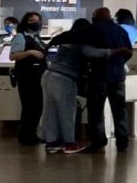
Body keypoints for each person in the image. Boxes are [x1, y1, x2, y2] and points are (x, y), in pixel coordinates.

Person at [41, 18, 130, 155]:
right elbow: (94, 53)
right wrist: (117, 51)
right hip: (64, 78)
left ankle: (52, 142)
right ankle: (69, 143)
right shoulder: (81, 42)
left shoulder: (66, 39)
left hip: (50, 75)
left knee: (50, 111)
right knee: (67, 111)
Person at [86, 8, 133, 153]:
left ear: (96, 17)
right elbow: (129, 52)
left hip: (99, 75)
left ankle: (99, 140)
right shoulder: (121, 31)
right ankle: (122, 141)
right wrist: (118, 63)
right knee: (119, 110)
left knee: (96, 110)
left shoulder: (93, 30)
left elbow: (88, 52)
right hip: (118, 76)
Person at [8, 12, 46, 146]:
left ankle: (32, 134)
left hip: (38, 75)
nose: (36, 23)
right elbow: (13, 56)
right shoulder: (20, 37)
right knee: (30, 105)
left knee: (37, 106)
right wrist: (30, 52)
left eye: (38, 20)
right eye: (32, 21)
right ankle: (25, 135)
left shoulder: (37, 37)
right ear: (26, 22)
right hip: (26, 75)